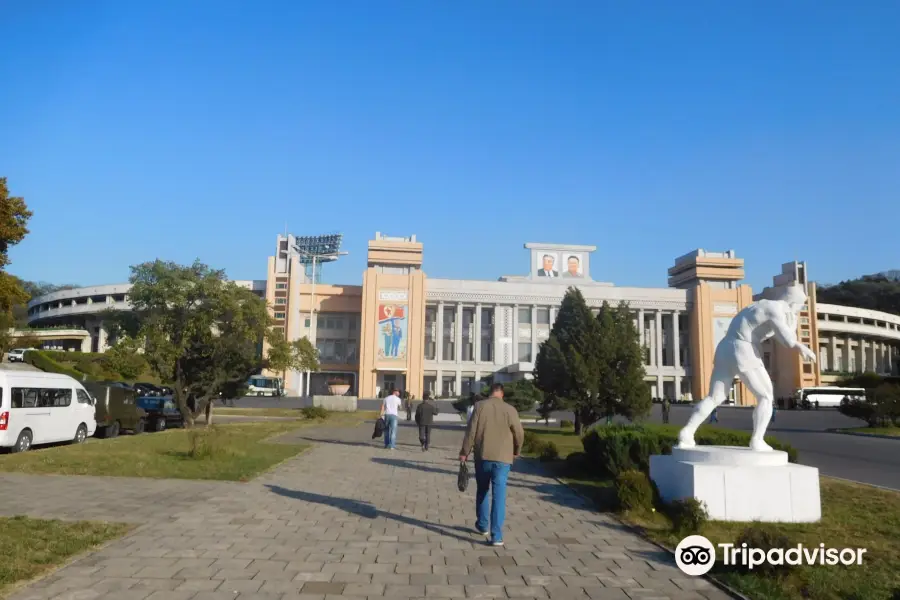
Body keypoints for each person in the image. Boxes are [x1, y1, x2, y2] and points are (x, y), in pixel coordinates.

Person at [678, 284, 816, 451]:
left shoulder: (760, 305)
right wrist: (801, 346)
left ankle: (687, 431)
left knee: (714, 397)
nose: (799, 310)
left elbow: (777, 333)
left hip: (725, 347)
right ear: (794, 303)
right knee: (765, 396)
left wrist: (791, 324)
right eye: (800, 307)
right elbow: (787, 341)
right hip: (743, 348)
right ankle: (757, 440)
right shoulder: (776, 309)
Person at [459, 383, 525, 547]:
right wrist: (517, 450)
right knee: (499, 495)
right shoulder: (510, 409)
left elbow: (471, 431)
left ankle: (482, 525)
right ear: (502, 394)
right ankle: (497, 535)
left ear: (491, 393)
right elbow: (519, 432)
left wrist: (464, 452)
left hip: (483, 456)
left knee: (482, 490)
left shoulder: (479, 406)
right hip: (503, 458)